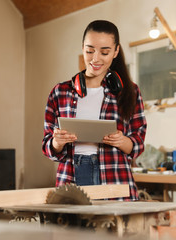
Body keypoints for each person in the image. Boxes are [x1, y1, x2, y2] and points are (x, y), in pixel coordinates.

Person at [42, 20, 147, 201]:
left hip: (114, 176)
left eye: (104, 52)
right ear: (82, 48)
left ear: (115, 51)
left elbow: (137, 145)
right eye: (90, 51)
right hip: (70, 178)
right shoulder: (60, 92)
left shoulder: (130, 90)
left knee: (115, 229)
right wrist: (57, 142)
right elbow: (47, 147)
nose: (95, 58)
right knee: (73, 228)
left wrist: (122, 141)